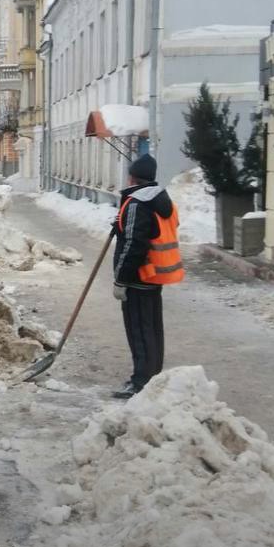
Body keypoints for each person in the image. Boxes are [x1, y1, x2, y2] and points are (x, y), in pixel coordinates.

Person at [112, 152, 184, 398]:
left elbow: (134, 243)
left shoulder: (136, 204)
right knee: (152, 328)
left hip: (139, 277)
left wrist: (121, 278)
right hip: (156, 275)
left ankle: (141, 382)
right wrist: (120, 222)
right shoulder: (162, 201)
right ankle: (152, 376)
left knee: (139, 330)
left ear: (133, 178)